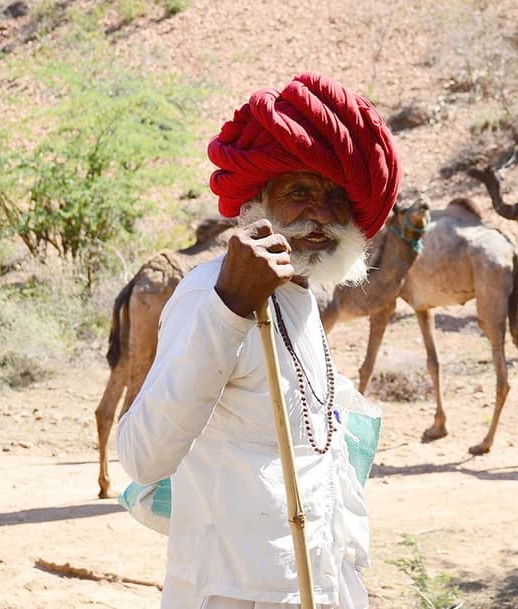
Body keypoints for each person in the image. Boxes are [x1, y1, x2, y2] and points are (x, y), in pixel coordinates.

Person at [116, 72, 401, 609]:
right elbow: (142, 456)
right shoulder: (210, 294)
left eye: (335, 198)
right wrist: (230, 306)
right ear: (259, 200)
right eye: (299, 193)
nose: (319, 215)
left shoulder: (304, 297)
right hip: (233, 593)